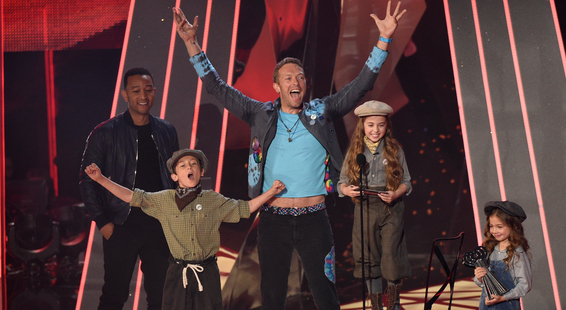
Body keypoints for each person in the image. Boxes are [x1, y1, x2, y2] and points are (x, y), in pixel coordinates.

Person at [172, 2, 406, 309]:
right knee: (272, 296)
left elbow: (360, 86)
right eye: (288, 78)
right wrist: (191, 43)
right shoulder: (260, 114)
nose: (296, 82)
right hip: (273, 221)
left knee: (325, 296)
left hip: (314, 221)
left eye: (300, 77)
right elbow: (217, 87)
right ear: (276, 85)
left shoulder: (321, 111)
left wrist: (384, 40)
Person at [84, 149, 286, 310]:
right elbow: (131, 197)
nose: (189, 167)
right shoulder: (163, 200)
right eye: (183, 165)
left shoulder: (213, 200)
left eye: (194, 164)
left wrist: (271, 192)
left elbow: (245, 208)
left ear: (202, 172)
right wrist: (101, 179)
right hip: (177, 272)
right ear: (174, 176)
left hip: (206, 273)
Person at [79, 67, 179, 310]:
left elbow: (175, 178)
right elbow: (86, 180)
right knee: (114, 296)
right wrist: (102, 222)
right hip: (122, 225)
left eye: (147, 89)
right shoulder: (105, 132)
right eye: (136, 90)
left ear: (154, 92)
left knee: (161, 298)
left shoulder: (166, 130)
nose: (143, 95)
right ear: (125, 94)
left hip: (159, 225)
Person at [338, 100, 412, 310]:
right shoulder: (355, 151)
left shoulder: (395, 150)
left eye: (380, 125)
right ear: (362, 126)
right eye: (371, 125)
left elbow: (407, 182)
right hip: (365, 208)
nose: (375, 130)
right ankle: (376, 305)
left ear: (387, 126)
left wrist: (395, 193)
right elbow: (342, 181)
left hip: (390, 208)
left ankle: (394, 305)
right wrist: (347, 190)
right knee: (369, 259)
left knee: (391, 257)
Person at [474, 201, 532, 310]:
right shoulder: (488, 250)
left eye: (499, 227)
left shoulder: (517, 253)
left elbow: (525, 285)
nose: (494, 231)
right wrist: (479, 277)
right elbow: (481, 282)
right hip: (486, 304)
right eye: (491, 226)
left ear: (514, 226)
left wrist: (503, 297)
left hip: (506, 305)